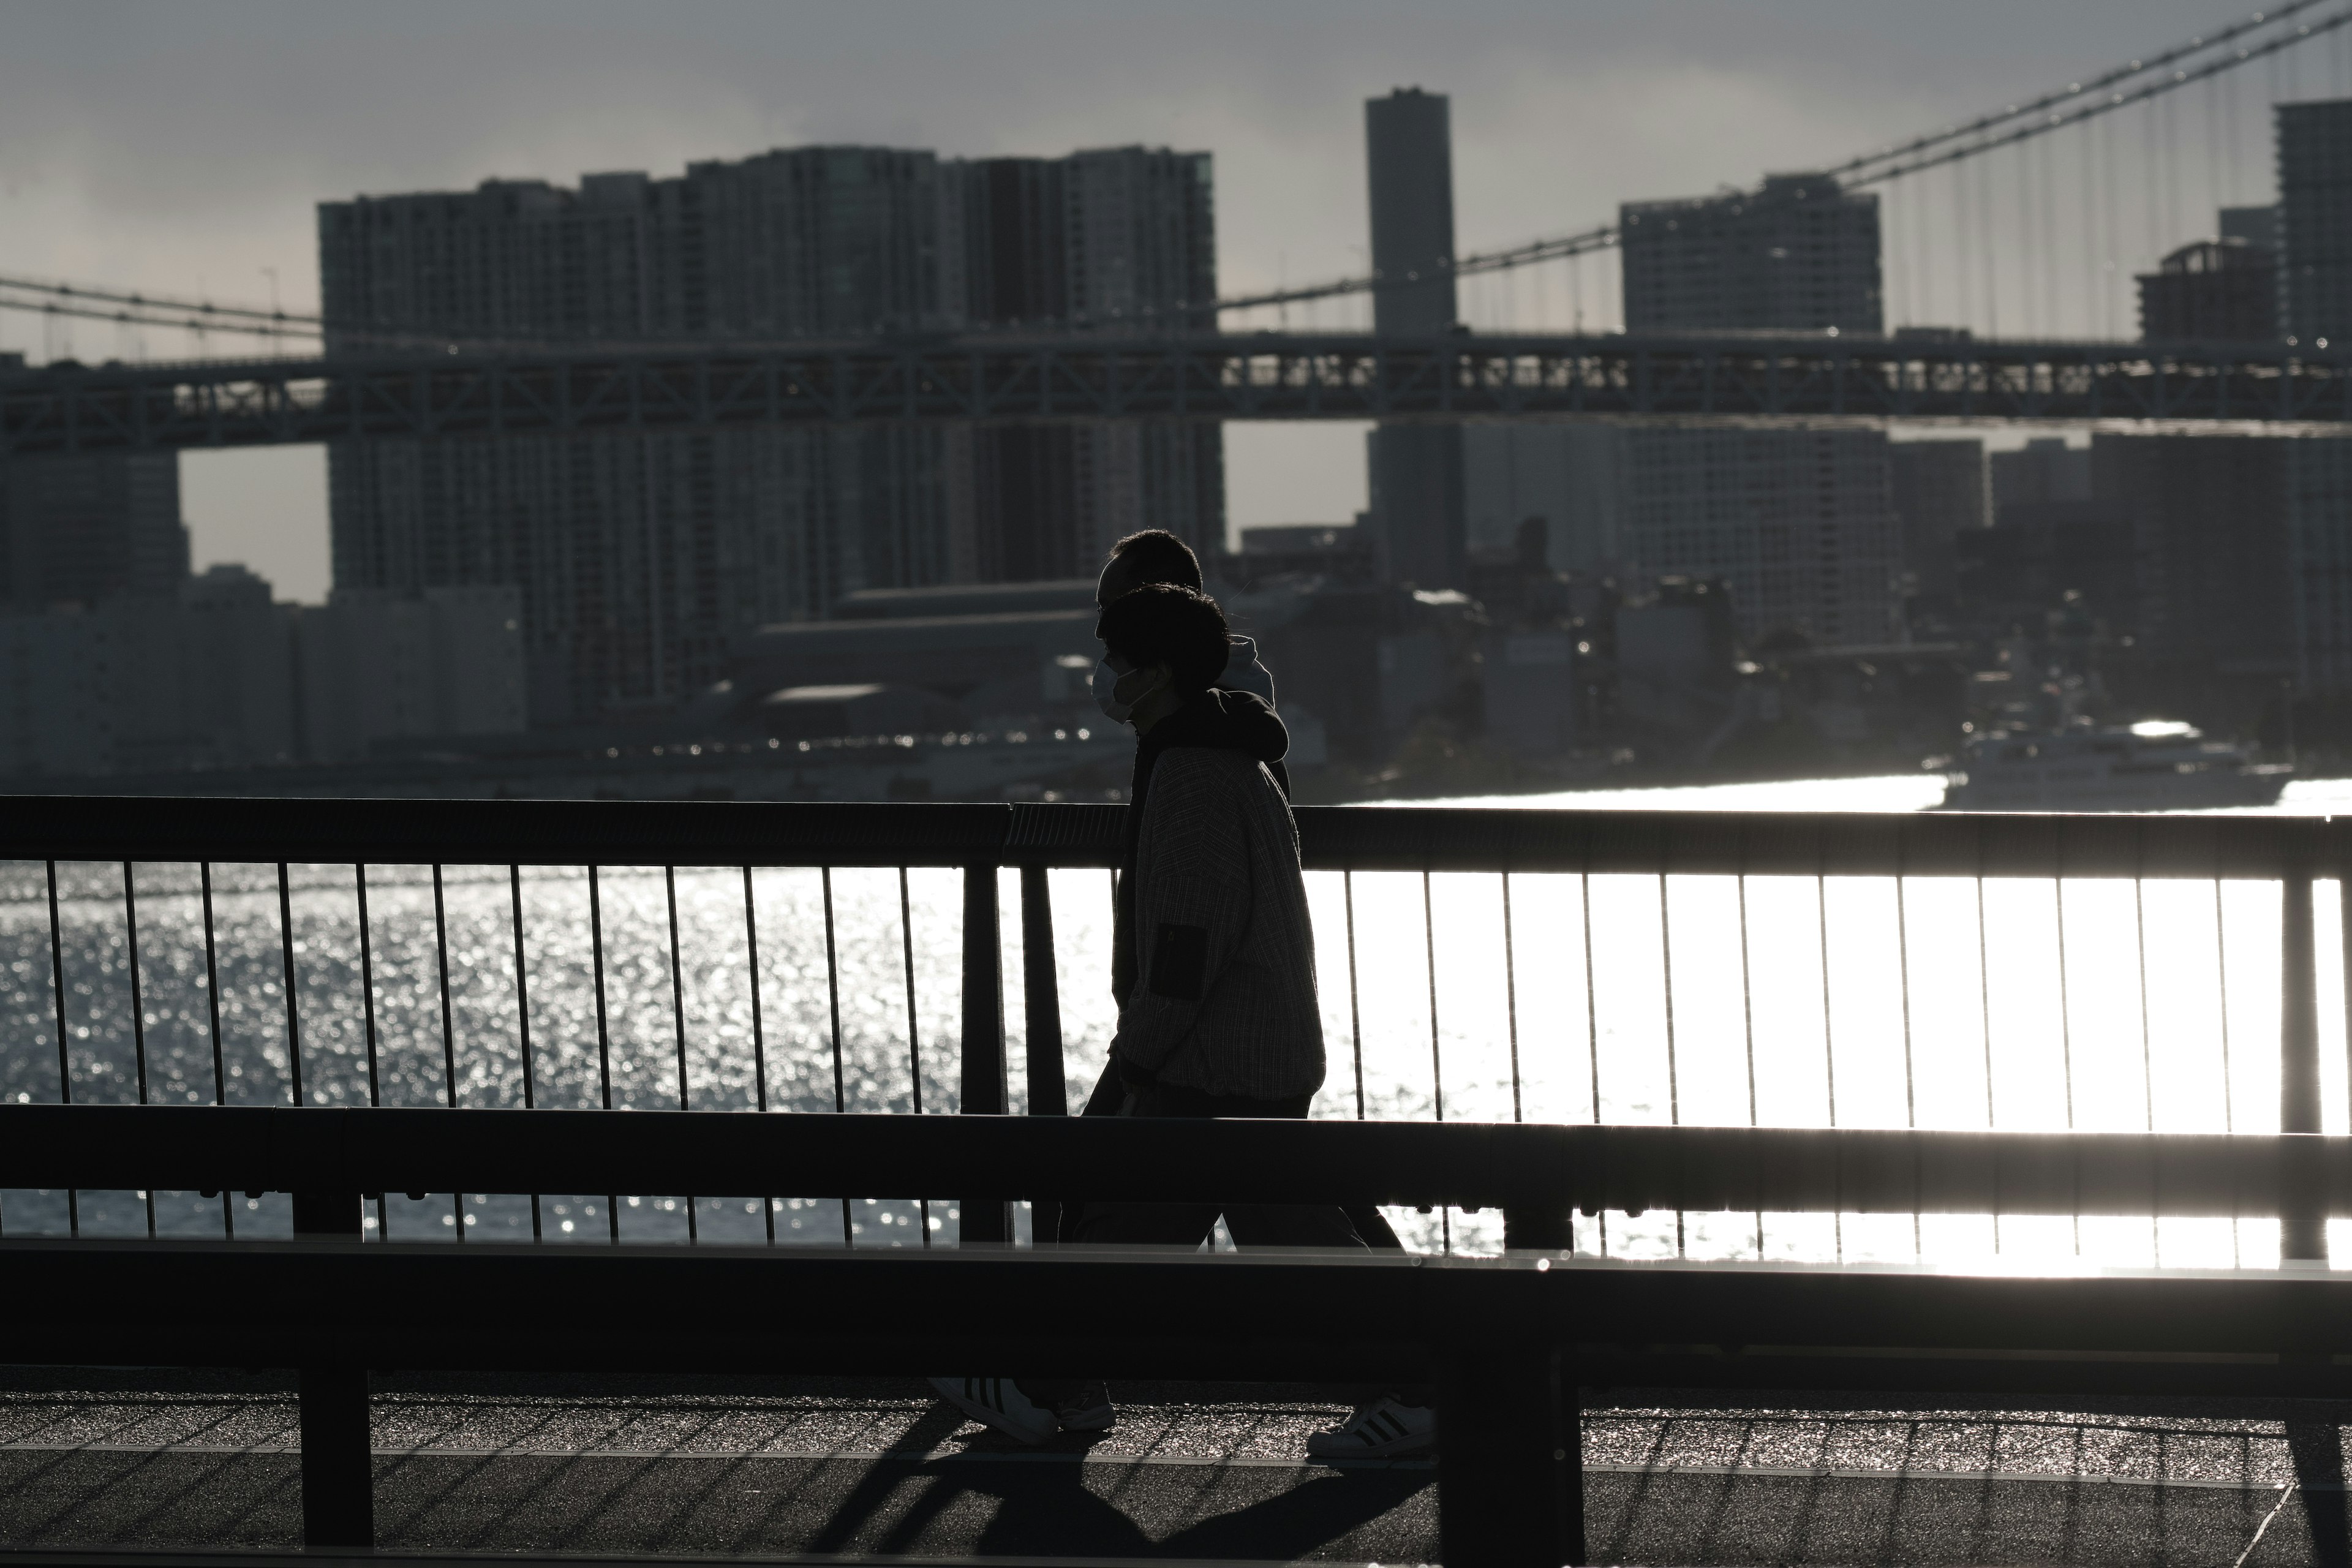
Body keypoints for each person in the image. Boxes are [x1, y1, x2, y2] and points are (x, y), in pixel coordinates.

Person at [929, 584, 1433, 1458]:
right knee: (1193, 1234)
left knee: (1197, 1239)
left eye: (1117, 663)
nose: (1104, 678)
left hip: (1216, 1063)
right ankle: (1058, 1386)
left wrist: (1138, 1059)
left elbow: (1185, 945)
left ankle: (1427, 1390)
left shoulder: (1193, 774)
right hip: (1250, 1053)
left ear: (1154, 674)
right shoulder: (1219, 751)